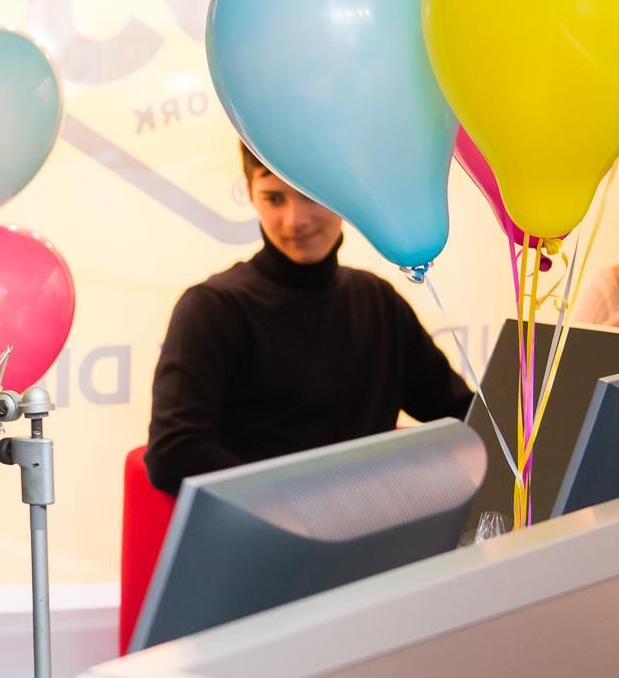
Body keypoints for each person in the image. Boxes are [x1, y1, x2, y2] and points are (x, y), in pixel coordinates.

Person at [145, 141, 474, 496]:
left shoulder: (377, 300)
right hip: (263, 526)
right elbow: (173, 454)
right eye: (274, 198)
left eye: (310, 194)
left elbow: (459, 411)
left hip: (371, 521)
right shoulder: (213, 308)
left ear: (343, 193)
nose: (295, 220)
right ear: (251, 195)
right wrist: (294, 504)